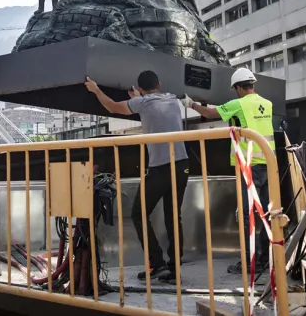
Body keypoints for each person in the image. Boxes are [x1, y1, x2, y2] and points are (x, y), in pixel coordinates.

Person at [85, 71, 188, 282]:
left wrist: (95, 89)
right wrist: (137, 99)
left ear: (141, 89)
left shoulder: (143, 103)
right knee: (173, 218)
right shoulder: (172, 99)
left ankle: (156, 264)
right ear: (159, 84)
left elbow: (112, 106)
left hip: (160, 168)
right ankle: (174, 270)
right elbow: (154, 110)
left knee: (138, 214)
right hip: (182, 165)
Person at [183, 67, 275, 276]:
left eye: (236, 90)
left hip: (249, 166)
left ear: (239, 88)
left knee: (246, 215)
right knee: (266, 214)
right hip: (269, 164)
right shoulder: (266, 104)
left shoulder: (239, 104)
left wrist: (192, 104)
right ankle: (264, 260)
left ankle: (248, 263)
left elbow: (209, 113)